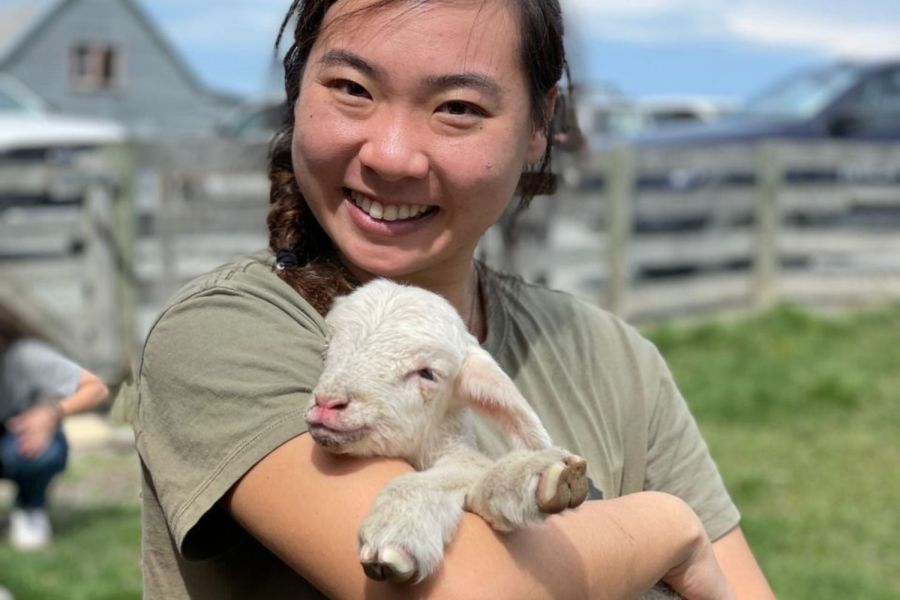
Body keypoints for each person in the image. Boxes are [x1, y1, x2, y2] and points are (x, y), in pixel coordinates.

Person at [129, 0, 776, 597]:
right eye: (352, 89)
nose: (393, 156)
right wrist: (668, 526)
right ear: (297, 93)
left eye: (458, 107)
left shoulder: (613, 360)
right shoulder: (229, 336)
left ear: (537, 126)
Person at [0, 303, 109, 550]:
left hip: (18, 435)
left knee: (40, 453)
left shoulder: (26, 356)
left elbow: (96, 388)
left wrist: (51, 413)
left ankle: (30, 507)